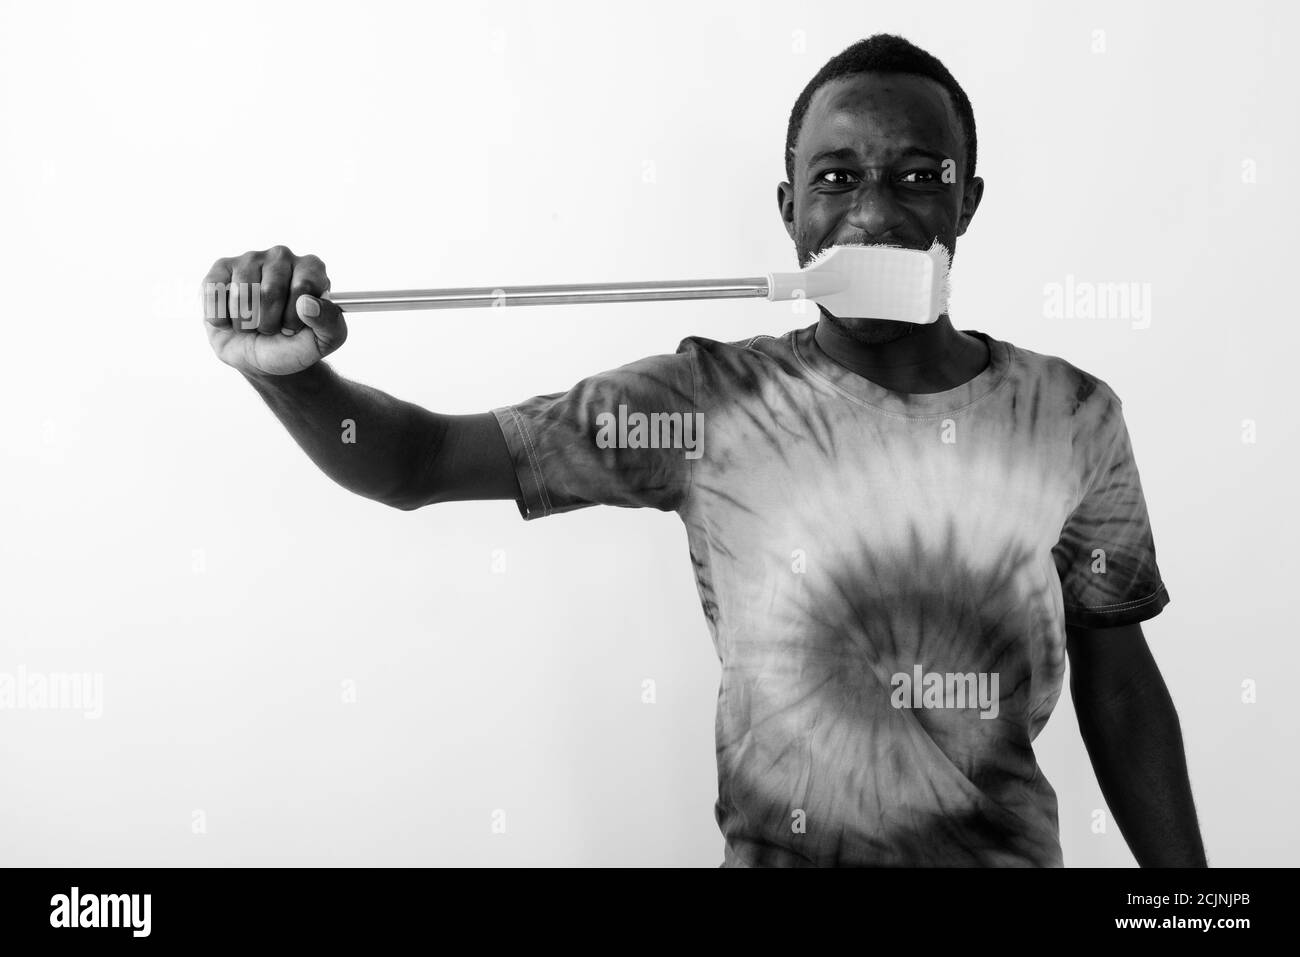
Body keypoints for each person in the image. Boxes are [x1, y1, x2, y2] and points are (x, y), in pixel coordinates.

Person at [201, 34, 1206, 868]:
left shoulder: (1072, 415)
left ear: (967, 203)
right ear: (790, 212)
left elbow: (1117, 680)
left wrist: (1189, 902)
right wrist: (293, 377)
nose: (872, 211)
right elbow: (414, 465)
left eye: (915, 178)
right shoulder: (705, 403)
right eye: (835, 179)